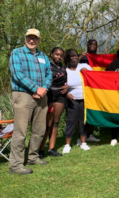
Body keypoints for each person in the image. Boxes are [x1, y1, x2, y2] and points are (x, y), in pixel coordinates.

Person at [9, 29, 52, 174]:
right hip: (23, 95)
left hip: (42, 96)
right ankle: (15, 165)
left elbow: (49, 75)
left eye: (35, 38)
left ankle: (33, 157)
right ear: (25, 38)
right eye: (29, 37)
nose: (31, 40)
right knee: (20, 131)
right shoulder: (17, 53)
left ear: (39, 40)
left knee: (39, 129)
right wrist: (35, 88)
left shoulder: (43, 56)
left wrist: (44, 89)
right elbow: (17, 74)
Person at [39, 47, 68, 158]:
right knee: (47, 124)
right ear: (51, 54)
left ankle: (51, 148)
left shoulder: (63, 68)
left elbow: (66, 80)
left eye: (61, 55)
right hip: (49, 95)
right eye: (56, 54)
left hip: (60, 96)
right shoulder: (47, 66)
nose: (59, 57)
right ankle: (40, 149)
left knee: (56, 122)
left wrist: (67, 86)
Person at [62, 49, 92, 154]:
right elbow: (61, 85)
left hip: (85, 99)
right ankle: (67, 145)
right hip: (72, 99)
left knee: (83, 121)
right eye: (72, 56)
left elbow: (95, 78)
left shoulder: (84, 66)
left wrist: (87, 72)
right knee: (71, 121)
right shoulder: (65, 71)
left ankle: (83, 142)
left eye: (76, 56)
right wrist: (66, 94)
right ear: (67, 58)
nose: (74, 57)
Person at [77, 39, 100, 144]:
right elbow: (71, 65)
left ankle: (90, 134)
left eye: (94, 44)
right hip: (83, 87)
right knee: (82, 113)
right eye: (90, 44)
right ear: (87, 45)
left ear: (97, 46)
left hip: (95, 88)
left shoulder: (99, 58)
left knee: (92, 110)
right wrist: (80, 57)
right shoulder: (82, 56)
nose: (92, 46)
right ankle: (80, 135)